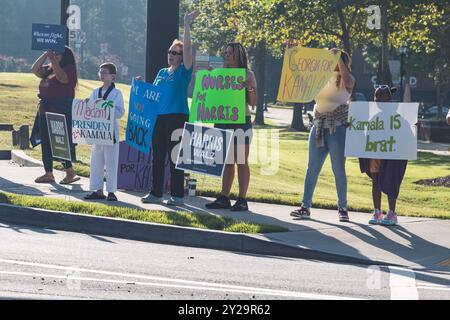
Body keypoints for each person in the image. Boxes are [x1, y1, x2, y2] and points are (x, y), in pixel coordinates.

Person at [141, 10, 199, 206]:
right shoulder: (161, 72)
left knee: (175, 157)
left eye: (175, 53)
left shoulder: (184, 71)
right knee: (157, 156)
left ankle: (177, 196)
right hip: (159, 118)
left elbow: (189, 48)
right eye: (169, 52)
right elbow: (154, 95)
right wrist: (141, 87)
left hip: (177, 116)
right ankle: (156, 193)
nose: (171, 55)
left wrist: (187, 25)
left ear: (182, 57)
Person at [290, 48, 355, 222]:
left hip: (338, 128)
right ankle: (305, 206)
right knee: (312, 168)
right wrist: (291, 56)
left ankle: (342, 208)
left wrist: (338, 57)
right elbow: (299, 81)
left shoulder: (346, 80)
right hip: (318, 126)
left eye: (334, 59)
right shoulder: (320, 78)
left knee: (338, 169)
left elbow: (348, 80)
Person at [205, 42, 257, 211]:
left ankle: (242, 199)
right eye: (225, 53)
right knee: (226, 161)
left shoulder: (248, 74)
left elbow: (253, 103)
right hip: (222, 120)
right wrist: (208, 82)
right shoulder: (219, 74)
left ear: (239, 56)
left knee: (241, 160)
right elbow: (210, 99)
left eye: (230, 53)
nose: (226, 56)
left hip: (241, 121)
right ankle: (224, 197)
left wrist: (249, 88)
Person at [31, 46, 80, 185]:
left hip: (59, 110)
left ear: (65, 55)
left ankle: (70, 172)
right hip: (45, 109)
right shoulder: (49, 68)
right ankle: (48, 173)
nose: (55, 55)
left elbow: (62, 78)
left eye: (58, 53)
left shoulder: (69, 68)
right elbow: (34, 70)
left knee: (60, 141)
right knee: (46, 141)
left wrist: (54, 61)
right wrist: (45, 54)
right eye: (55, 52)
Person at [362, 85, 407, 226]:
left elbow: (406, 132)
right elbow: (364, 130)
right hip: (375, 153)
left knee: (390, 180)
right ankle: (377, 211)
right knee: (375, 182)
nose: (379, 99)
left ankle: (392, 213)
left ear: (389, 98)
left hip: (390, 155)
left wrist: (413, 126)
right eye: (376, 96)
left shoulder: (398, 116)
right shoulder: (372, 116)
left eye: (382, 96)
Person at [84, 63, 125, 202]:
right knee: (96, 161)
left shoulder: (117, 93)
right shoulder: (95, 92)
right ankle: (97, 190)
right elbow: (89, 110)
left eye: (105, 72)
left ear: (113, 76)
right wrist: (87, 104)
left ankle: (111, 191)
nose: (102, 74)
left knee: (111, 161)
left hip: (111, 132)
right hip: (97, 132)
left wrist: (106, 107)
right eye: (100, 72)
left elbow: (120, 112)